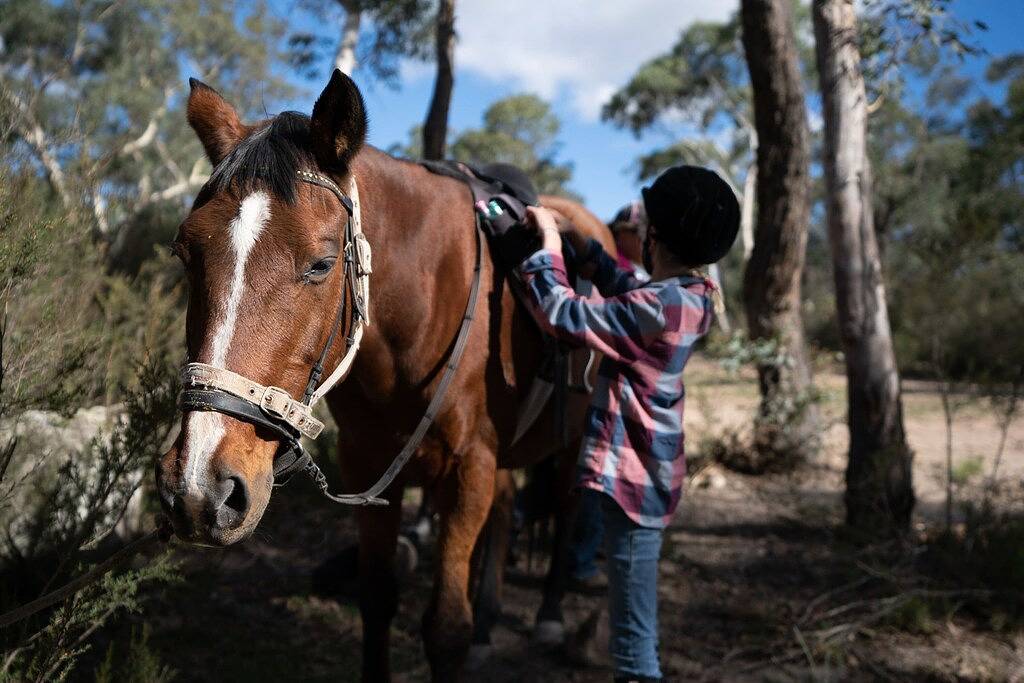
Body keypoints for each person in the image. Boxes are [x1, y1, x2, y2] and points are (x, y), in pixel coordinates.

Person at [515, 166, 740, 683]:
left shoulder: (657, 306)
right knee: (631, 627)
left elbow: (561, 313)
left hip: (634, 485)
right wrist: (584, 245)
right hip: (652, 478)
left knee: (633, 643)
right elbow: (630, 287)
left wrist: (547, 244)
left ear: (653, 237)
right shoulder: (690, 297)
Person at [608, 200, 651, 283]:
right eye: (639, 232)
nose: (648, 241)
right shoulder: (613, 266)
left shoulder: (638, 268)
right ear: (621, 233)